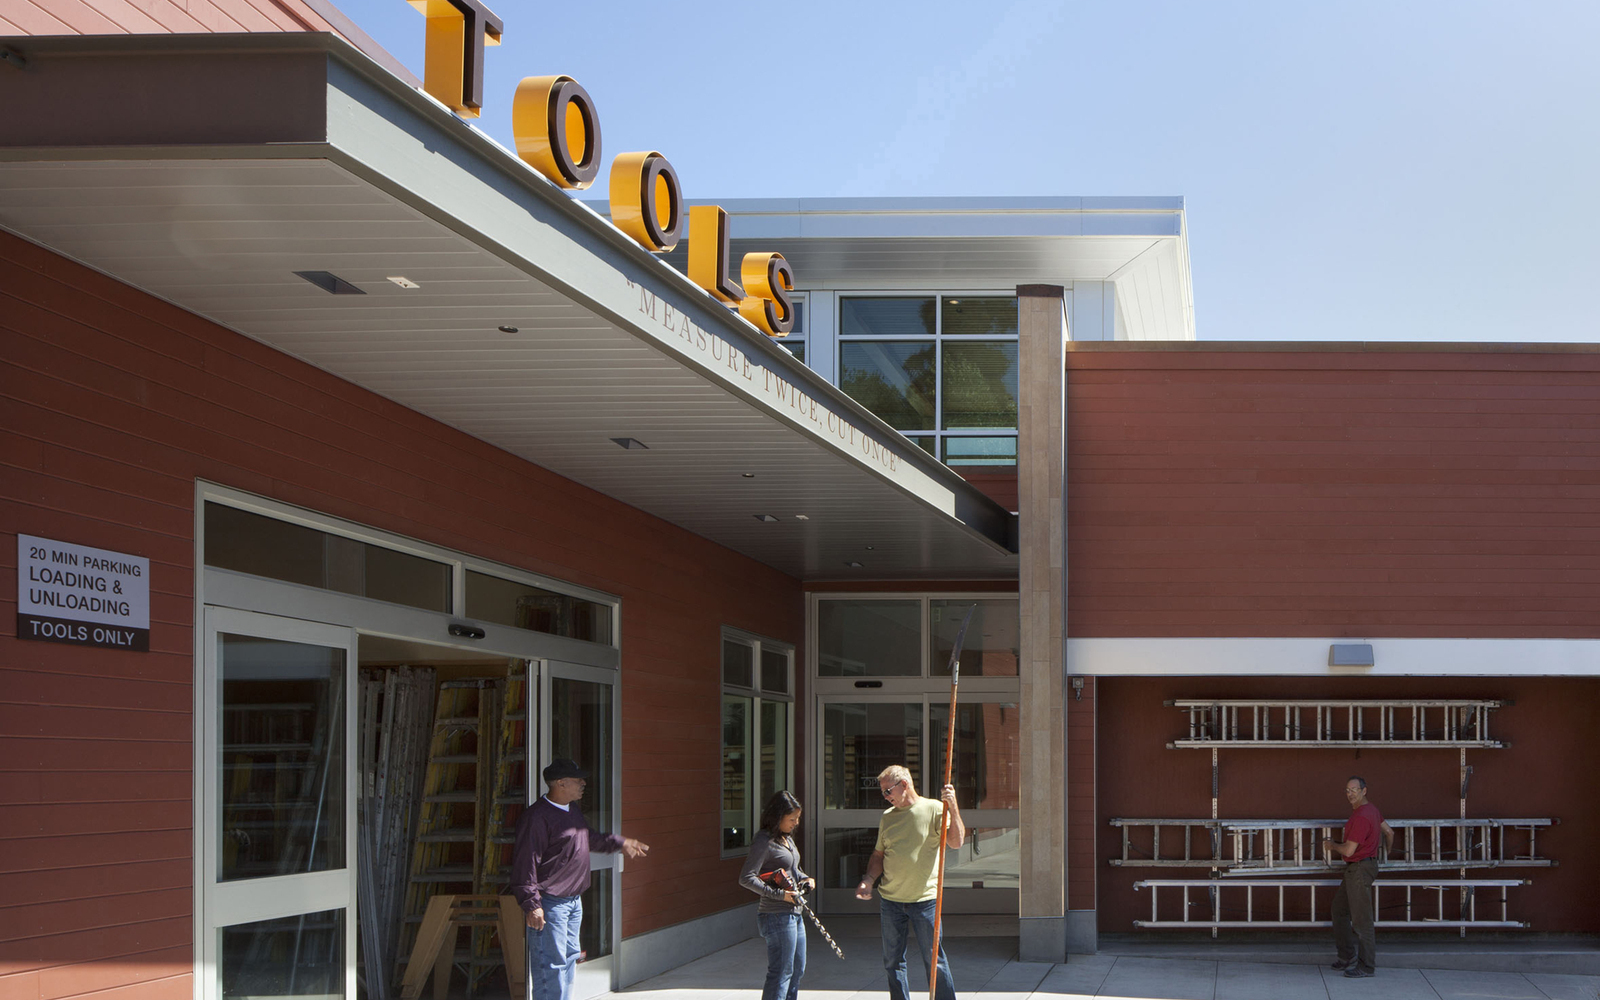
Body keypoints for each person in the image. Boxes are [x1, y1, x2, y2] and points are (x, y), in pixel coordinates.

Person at [510, 758, 649, 1000]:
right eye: (578, 780)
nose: (583, 784)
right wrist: (532, 904)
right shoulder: (537, 817)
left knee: (568, 964)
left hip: (573, 902)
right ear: (560, 783)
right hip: (550, 905)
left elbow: (589, 838)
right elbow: (525, 864)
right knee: (550, 970)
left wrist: (621, 843)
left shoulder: (571, 810)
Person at [853, 765, 965, 1000]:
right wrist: (868, 880)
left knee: (935, 962)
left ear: (904, 785)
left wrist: (952, 806)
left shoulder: (934, 808)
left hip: (925, 901)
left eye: (887, 791)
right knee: (893, 962)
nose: (885, 797)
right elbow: (878, 856)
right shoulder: (887, 818)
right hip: (891, 901)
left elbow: (956, 842)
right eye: (883, 793)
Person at [739, 791, 814, 1000]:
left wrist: (806, 878)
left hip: (794, 913)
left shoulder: (786, 838)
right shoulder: (764, 840)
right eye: (792, 819)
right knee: (781, 973)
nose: (796, 823)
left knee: (797, 970)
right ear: (778, 817)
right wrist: (780, 895)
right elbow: (746, 877)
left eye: (797, 818)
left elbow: (793, 869)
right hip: (776, 916)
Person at [1321, 775, 1394, 979]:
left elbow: (1350, 850)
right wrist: (1384, 854)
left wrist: (1332, 845)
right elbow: (1389, 833)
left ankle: (1366, 966)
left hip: (1359, 868)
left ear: (1364, 790)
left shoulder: (1361, 816)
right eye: (1347, 790)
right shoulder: (1373, 811)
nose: (1350, 794)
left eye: (1354, 789)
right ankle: (1347, 955)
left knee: (1362, 921)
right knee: (1339, 909)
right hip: (1362, 867)